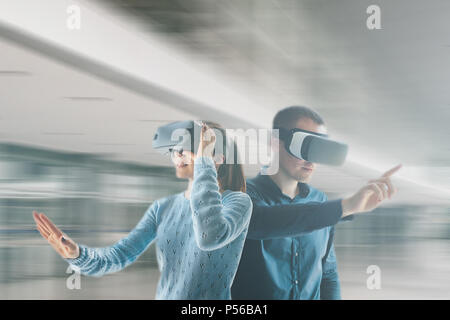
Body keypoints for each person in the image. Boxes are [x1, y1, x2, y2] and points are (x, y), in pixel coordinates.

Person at [33, 122, 252, 300]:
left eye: (189, 149)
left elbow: (208, 236)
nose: (178, 156)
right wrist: (78, 255)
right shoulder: (163, 208)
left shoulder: (238, 203)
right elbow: (118, 256)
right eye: (175, 150)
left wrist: (204, 162)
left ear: (218, 158)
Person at [231, 106, 401, 300]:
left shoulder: (320, 201)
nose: (311, 160)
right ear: (275, 143)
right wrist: (345, 207)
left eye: (318, 149)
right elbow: (261, 222)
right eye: (304, 146)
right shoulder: (241, 195)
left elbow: (327, 274)